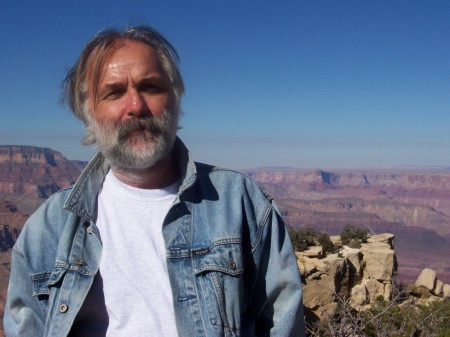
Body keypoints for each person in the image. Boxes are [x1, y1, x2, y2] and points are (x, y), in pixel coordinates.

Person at [4, 24, 305, 337]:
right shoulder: (47, 229)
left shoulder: (241, 203)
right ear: (88, 112)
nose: (136, 106)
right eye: (114, 92)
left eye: (150, 87)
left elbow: (282, 324)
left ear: (176, 98)